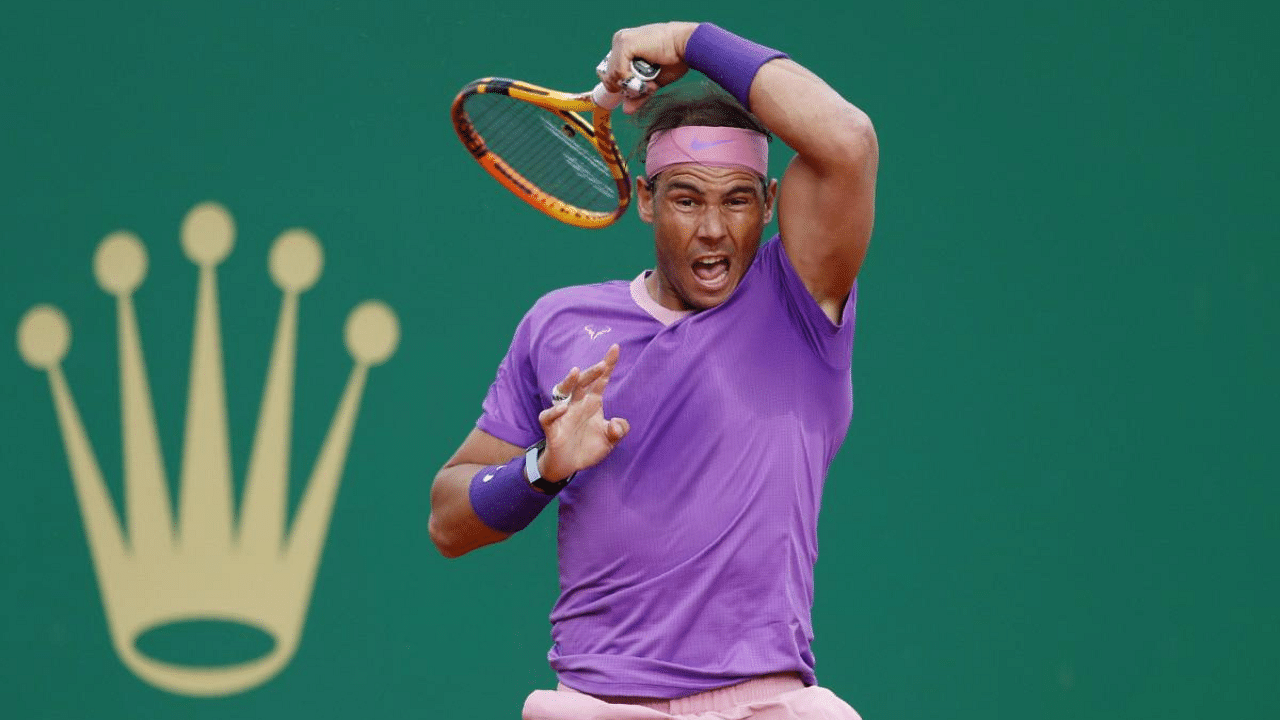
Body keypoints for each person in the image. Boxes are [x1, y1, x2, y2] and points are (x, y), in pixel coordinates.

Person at [430, 21, 877, 720]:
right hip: (603, 701)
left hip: (769, 704)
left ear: (768, 206)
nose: (712, 229)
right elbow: (448, 521)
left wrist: (688, 39)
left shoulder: (798, 301)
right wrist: (543, 468)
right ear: (645, 199)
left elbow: (847, 140)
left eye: (736, 200)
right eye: (687, 198)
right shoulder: (559, 324)